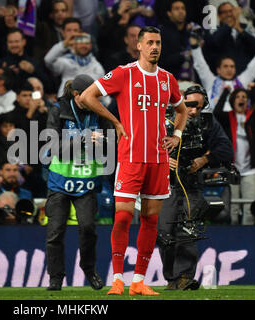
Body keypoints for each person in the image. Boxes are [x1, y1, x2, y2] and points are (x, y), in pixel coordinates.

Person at [80, 26, 188, 295]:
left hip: (158, 160)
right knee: (123, 218)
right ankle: (118, 278)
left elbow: (182, 109)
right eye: (150, 42)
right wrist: (115, 121)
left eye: (158, 43)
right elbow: (86, 96)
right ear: (138, 46)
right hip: (131, 158)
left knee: (151, 221)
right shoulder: (124, 73)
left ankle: (138, 281)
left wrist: (176, 134)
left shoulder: (167, 79)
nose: (155, 47)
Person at [157, 85, 233, 290]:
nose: (194, 111)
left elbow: (226, 149)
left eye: (199, 107)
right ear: (181, 100)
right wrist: (163, 159)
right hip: (165, 184)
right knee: (164, 231)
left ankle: (184, 277)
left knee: (187, 228)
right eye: (190, 105)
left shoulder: (207, 123)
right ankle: (172, 278)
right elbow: (145, 143)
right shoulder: (165, 117)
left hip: (191, 183)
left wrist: (204, 159)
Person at [45, 74, 112, 291]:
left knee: (88, 228)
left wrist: (104, 144)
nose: (96, 99)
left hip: (87, 182)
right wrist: (83, 139)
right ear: (76, 95)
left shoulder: (99, 112)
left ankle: (89, 270)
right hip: (60, 181)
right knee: (55, 231)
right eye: (91, 94)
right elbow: (53, 148)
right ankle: (55, 278)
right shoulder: (58, 110)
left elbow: (111, 149)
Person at [191, 27, 255, 111]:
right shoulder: (210, 81)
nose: (229, 69)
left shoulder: (242, 81)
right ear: (218, 70)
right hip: (214, 122)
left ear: (235, 69)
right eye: (225, 66)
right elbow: (200, 65)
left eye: (232, 66)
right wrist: (194, 45)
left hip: (237, 122)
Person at [213, 88, 255, 225]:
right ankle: (234, 238)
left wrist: (253, 92)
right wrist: (225, 92)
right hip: (232, 169)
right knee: (233, 207)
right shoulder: (227, 118)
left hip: (250, 170)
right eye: (238, 97)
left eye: (244, 97)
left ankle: (249, 240)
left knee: (250, 207)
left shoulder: (252, 117)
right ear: (233, 101)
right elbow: (216, 113)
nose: (242, 99)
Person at [44, 30, 105, 98]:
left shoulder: (97, 66)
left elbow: (101, 90)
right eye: (80, 43)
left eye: (86, 43)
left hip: (87, 104)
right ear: (74, 45)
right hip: (66, 101)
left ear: (91, 46)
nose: (84, 45)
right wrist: (64, 44)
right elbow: (48, 60)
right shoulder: (66, 62)